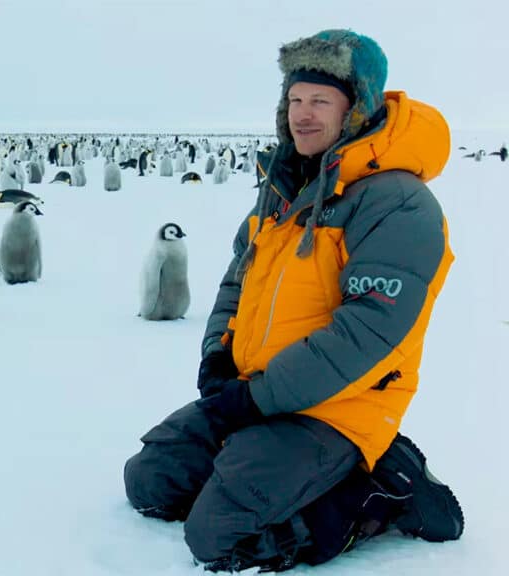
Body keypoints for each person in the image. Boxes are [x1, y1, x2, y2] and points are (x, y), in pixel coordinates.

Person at [123, 29, 464, 572]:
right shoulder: (285, 188)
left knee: (219, 536)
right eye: (295, 100)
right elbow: (237, 282)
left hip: (337, 407)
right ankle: (273, 470)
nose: (302, 114)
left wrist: (256, 400)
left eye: (320, 101)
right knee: (151, 481)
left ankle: (384, 493)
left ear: (356, 109)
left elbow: (368, 332)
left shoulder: (398, 204)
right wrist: (218, 354)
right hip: (259, 391)